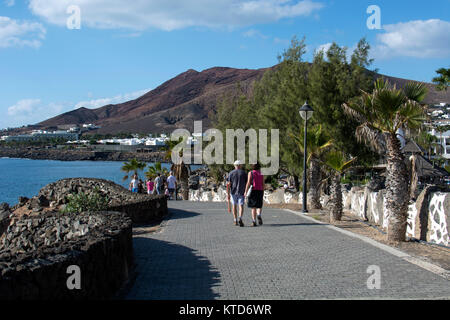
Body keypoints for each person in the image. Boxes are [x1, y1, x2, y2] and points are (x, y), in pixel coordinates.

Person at [226, 160, 247, 227]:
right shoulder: (244, 173)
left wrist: (228, 193)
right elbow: (247, 183)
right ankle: (240, 217)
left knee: (234, 206)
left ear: (235, 165)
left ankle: (235, 220)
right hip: (241, 191)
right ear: (240, 165)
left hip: (233, 192)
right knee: (241, 206)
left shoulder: (231, 173)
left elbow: (228, 184)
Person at [245, 163, 265, 227]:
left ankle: (254, 221)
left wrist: (245, 191)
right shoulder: (261, 173)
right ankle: (258, 214)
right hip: (260, 190)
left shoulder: (250, 173)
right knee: (259, 205)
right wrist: (263, 191)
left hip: (253, 190)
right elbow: (263, 183)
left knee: (253, 207)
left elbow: (248, 182)